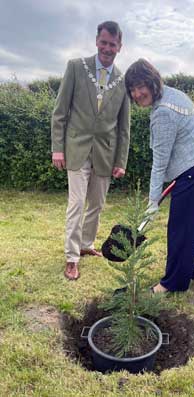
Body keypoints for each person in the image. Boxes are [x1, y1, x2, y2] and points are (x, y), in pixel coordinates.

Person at [125, 59, 194, 293]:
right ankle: (187, 272)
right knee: (189, 226)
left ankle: (172, 284)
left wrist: (152, 201)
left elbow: (159, 163)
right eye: (132, 89)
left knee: (180, 229)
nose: (136, 94)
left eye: (140, 87)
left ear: (151, 82)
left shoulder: (163, 113)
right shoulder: (171, 94)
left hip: (193, 174)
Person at [51, 21, 130, 280]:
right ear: (97, 41)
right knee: (76, 203)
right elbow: (60, 112)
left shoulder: (122, 80)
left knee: (96, 204)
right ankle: (71, 257)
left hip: (105, 154)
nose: (108, 48)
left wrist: (121, 160)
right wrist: (57, 149)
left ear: (120, 46)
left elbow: (123, 127)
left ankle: (86, 244)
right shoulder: (75, 67)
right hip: (76, 148)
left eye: (113, 44)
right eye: (104, 42)